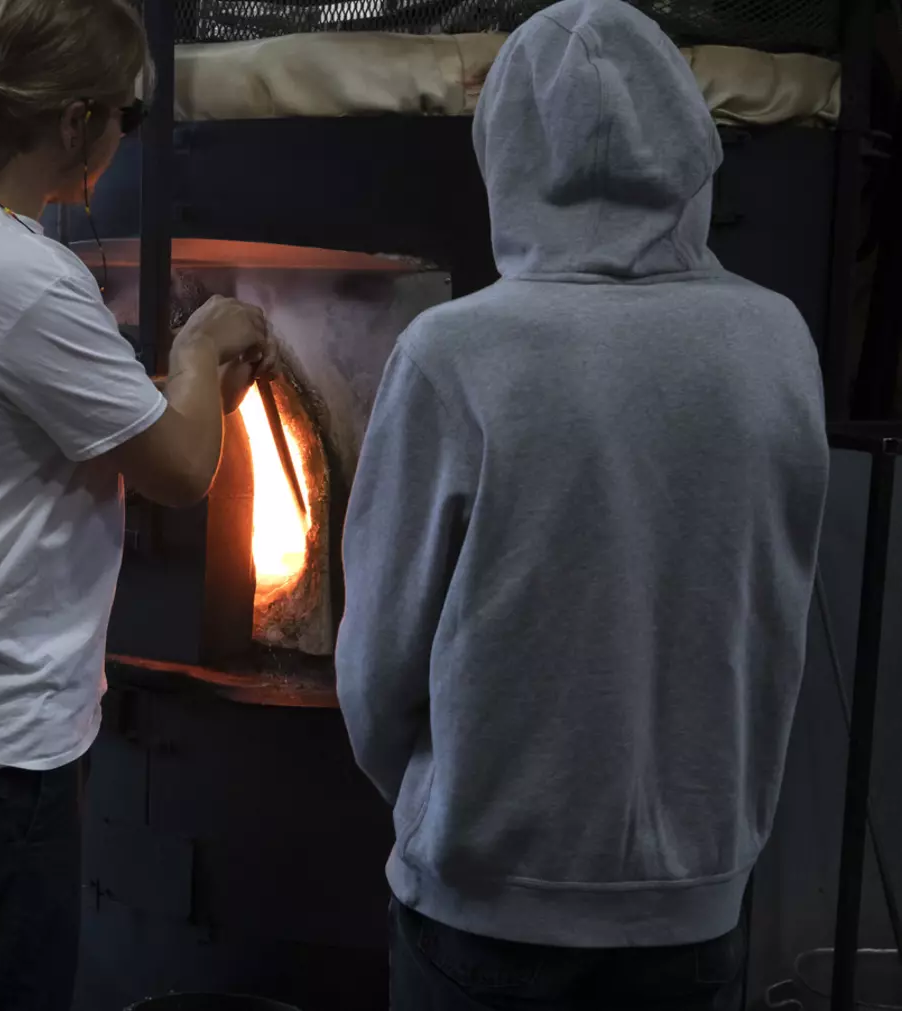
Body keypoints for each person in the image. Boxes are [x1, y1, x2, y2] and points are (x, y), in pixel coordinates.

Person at [336, 1, 830, 1007]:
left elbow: (377, 670)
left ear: (504, 153)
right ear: (691, 136)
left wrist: (454, 812)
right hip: (695, 910)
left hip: (482, 912)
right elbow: (773, 611)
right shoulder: (778, 343)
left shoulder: (454, 353)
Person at [0, 1, 275, 1007]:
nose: (126, 142)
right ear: (77, 121)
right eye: (128, 117)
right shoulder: (16, 275)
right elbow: (179, 470)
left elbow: (34, 423)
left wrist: (183, 393)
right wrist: (200, 352)